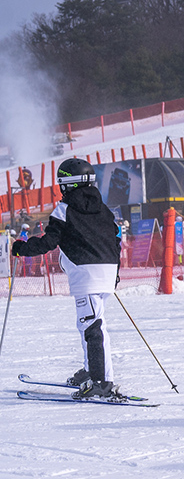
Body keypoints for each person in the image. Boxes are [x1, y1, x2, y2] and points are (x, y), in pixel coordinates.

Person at [11, 158, 123, 398]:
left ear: (67, 185)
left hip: (86, 273)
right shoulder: (103, 210)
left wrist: (21, 248)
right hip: (105, 270)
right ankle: (91, 370)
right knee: (88, 323)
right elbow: (115, 237)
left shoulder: (64, 209)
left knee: (92, 326)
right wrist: (116, 271)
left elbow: (49, 242)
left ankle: (101, 381)